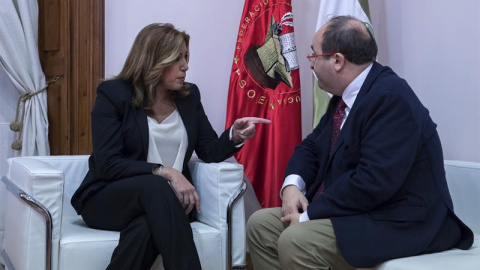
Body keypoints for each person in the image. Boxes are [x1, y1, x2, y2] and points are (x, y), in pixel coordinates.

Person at [246, 16, 473, 270]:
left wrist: (308, 216)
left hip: (401, 220)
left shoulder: (391, 98)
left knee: (297, 240)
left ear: (338, 61)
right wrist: (291, 186)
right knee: (260, 226)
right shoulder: (344, 98)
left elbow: (372, 182)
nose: (310, 64)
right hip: (364, 212)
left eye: (314, 55)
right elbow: (311, 147)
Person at [70, 23, 270, 270]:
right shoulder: (114, 94)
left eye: (186, 57)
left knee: (146, 226)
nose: (186, 66)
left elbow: (209, 150)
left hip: (170, 204)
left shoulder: (189, 96)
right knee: (156, 186)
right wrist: (165, 171)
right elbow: (107, 163)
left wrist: (234, 136)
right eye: (178, 58)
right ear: (154, 59)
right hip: (109, 198)